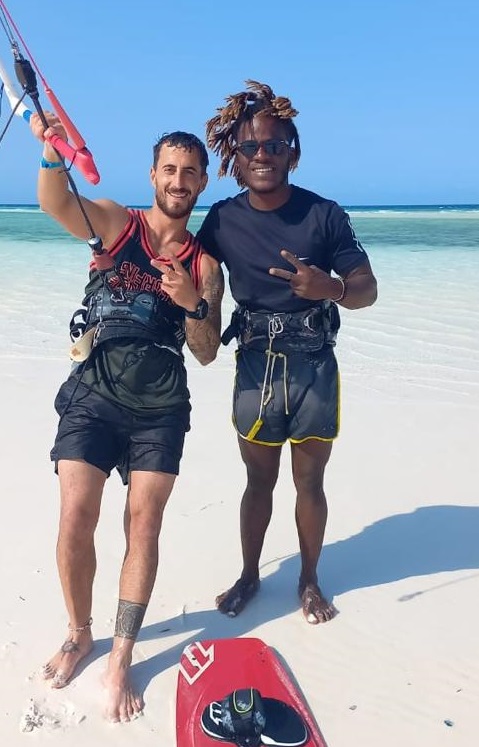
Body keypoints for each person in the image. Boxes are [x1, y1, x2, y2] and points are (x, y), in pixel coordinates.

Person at [29, 113, 224, 721]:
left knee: (143, 527)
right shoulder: (118, 223)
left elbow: (208, 348)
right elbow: (56, 203)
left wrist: (192, 304)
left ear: (203, 181)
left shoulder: (204, 264)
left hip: (161, 406)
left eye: (190, 171)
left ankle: (121, 655)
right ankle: (78, 630)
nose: (179, 179)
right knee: (74, 517)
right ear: (154, 175)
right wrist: (52, 151)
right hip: (94, 390)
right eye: (170, 168)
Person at [197, 80, 377, 625]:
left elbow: (367, 287)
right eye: (250, 147)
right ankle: (251, 575)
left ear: (292, 151)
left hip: (315, 365)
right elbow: (186, 266)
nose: (261, 156)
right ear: (235, 156)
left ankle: (308, 579)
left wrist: (332, 289)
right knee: (257, 480)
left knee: (310, 481)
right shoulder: (223, 219)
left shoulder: (324, 215)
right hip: (256, 364)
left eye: (273, 146)